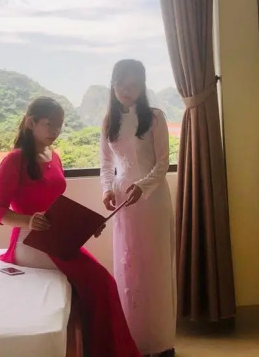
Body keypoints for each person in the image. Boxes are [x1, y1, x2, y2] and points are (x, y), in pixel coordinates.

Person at [0, 96, 141, 357]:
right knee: (101, 283)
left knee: (102, 283)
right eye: (49, 124)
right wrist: (29, 220)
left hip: (56, 238)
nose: (55, 131)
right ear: (31, 123)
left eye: (59, 125)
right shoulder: (14, 160)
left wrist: (83, 226)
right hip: (30, 240)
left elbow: (56, 205)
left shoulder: (54, 156)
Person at [100, 60, 177, 357]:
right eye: (122, 84)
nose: (127, 90)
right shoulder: (109, 120)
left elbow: (163, 163)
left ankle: (160, 342)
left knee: (154, 268)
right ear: (113, 85)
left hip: (151, 200)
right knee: (129, 267)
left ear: (142, 86)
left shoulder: (155, 117)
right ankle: (132, 339)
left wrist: (143, 186)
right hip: (123, 201)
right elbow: (106, 163)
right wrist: (107, 189)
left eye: (133, 85)